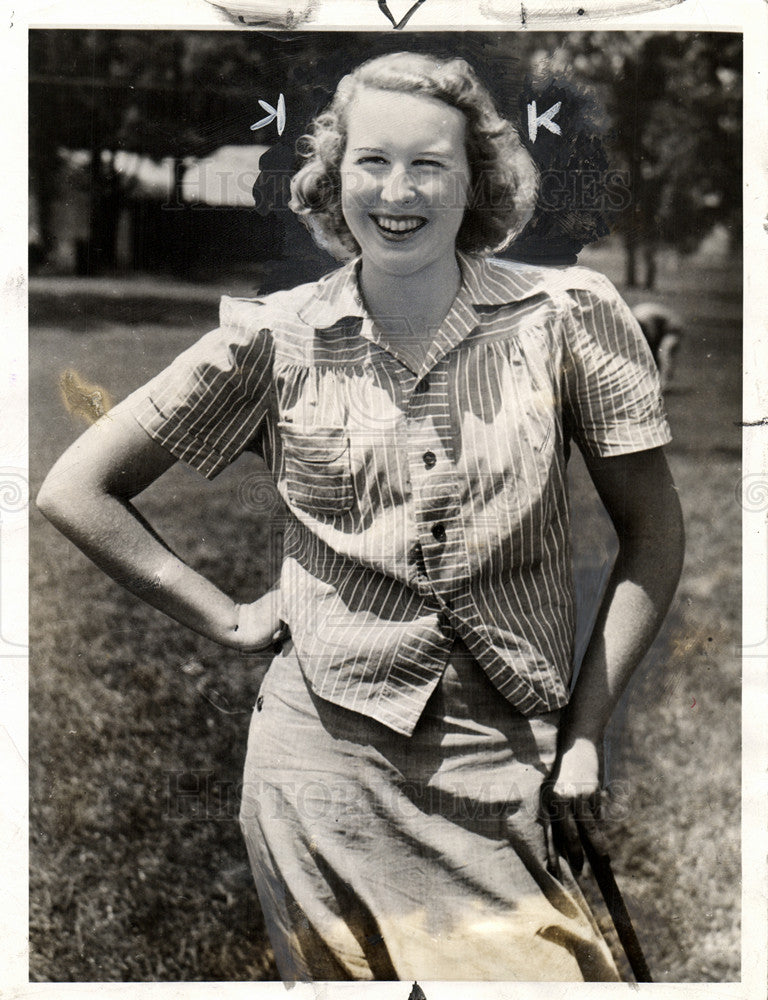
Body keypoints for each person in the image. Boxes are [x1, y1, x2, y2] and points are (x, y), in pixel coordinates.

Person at [37, 51, 684, 982]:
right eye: (371, 161)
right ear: (333, 175)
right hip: (316, 767)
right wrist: (226, 616)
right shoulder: (274, 335)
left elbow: (655, 535)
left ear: (479, 182)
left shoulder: (565, 317)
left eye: (431, 165)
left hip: (503, 764)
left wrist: (583, 736)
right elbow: (74, 487)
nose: (398, 191)